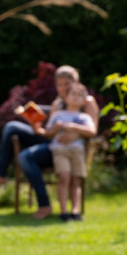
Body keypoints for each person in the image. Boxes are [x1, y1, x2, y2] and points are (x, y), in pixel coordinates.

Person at [0, 65, 99, 219]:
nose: (62, 88)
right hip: (54, 144)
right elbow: (50, 132)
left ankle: (45, 205)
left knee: (24, 157)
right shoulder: (58, 103)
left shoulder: (87, 101)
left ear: (76, 82)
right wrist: (36, 126)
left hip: (74, 149)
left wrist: (74, 134)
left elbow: (92, 129)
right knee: (11, 127)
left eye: (66, 84)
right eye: (59, 85)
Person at [33, 83, 96, 221]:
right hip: (60, 151)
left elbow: (92, 131)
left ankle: (75, 210)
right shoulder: (58, 115)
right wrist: (55, 128)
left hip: (77, 152)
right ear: (66, 98)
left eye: (79, 95)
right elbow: (48, 133)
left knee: (75, 180)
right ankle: (63, 211)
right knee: (64, 177)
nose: (75, 97)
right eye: (73, 94)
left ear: (84, 100)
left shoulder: (84, 117)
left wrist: (72, 127)